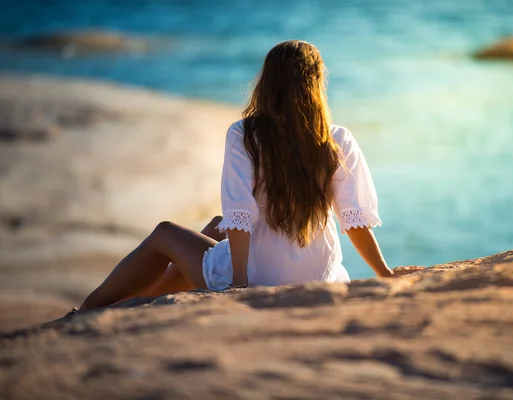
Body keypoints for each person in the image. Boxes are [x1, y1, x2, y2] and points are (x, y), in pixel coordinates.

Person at [75, 40, 393, 312]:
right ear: (316, 85)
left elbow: (240, 213)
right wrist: (384, 272)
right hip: (319, 273)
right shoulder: (337, 139)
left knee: (165, 233)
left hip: (259, 276)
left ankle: (91, 307)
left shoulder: (246, 134)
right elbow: (354, 220)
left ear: (268, 83)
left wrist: (239, 281)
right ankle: (146, 301)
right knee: (215, 226)